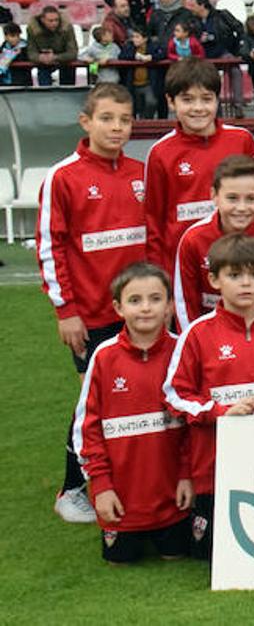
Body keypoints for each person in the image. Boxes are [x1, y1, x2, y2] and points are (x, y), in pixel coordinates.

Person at [38, 86, 149, 524]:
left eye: (124, 119)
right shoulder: (62, 176)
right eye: (107, 118)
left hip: (144, 311)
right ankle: (72, 489)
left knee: (138, 392)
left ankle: (128, 477)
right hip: (93, 315)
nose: (117, 127)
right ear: (86, 122)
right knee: (94, 401)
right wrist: (66, 310)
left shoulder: (141, 172)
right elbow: (50, 248)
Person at [162, 233, 254, 559]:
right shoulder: (198, 332)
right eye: (234, 276)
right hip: (214, 462)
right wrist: (219, 412)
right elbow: (175, 394)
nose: (245, 284)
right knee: (209, 555)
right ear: (214, 279)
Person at [73, 262, 192, 562]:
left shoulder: (184, 351)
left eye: (155, 299)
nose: (146, 308)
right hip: (122, 501)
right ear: (118, 307)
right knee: (120, 561)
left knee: (175, 556)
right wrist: (100, 486)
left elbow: (195, 426)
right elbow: (86, 427)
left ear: (169, 306)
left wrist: (187, 475)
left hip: (174, 497)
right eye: (135, 300)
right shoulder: (104, 356)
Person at [143, 60, 254, 267]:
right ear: (171, 101)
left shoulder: (242, 140)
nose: (198, 108)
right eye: (187, 100)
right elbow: (154, 223)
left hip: (240, 263)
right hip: (183, 267)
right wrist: (160, 276)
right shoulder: (160, 152)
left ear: (217, 100)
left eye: (206, 99)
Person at [173, 156, 254, 331]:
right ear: (214, 196)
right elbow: (185, 304)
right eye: (232, 198)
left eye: (250, 199)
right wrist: (194, 343)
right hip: (209, 338)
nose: (241, 208)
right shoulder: (193, 239)